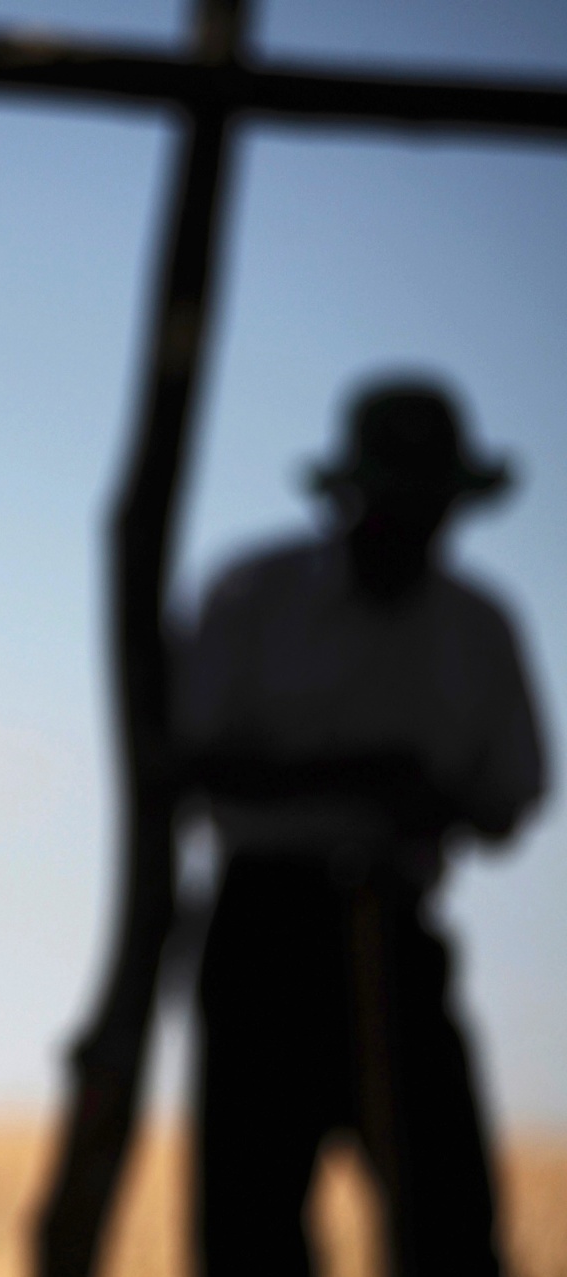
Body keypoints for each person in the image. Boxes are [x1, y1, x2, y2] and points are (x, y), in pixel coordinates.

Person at [176, 380, 547, 1277]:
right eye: (397, 502)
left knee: (449, 1221)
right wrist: (358, 779)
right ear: (350, 496)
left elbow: (512, 797)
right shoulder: (254, 594)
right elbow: (187, 760)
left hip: (400, 927)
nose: (413, 526)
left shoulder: (479, 627)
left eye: (431, 507)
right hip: (265, 930)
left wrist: (428, 801)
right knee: (250, 1224)